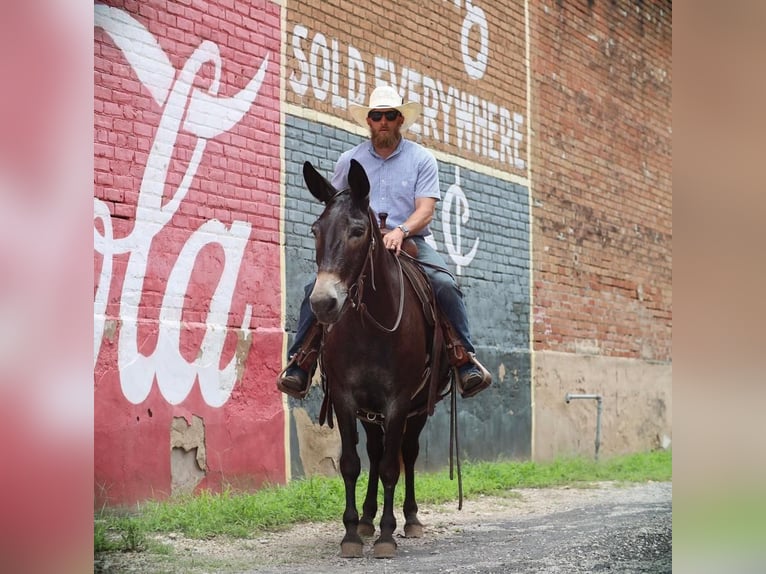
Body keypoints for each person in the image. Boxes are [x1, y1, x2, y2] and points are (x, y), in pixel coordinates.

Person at [277, 85, 491, 399]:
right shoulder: (349, 160)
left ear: (400, 119)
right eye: (377, 116)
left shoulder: (421, 159)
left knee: (444, 283)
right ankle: (301, 361)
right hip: (360, 245)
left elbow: (426, 210)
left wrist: (400, 230)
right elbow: (336, 205)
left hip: (410, 241)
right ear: (369, 121)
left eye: (390, 115)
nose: (383, 122)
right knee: (314, 287)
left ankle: (463, 359)